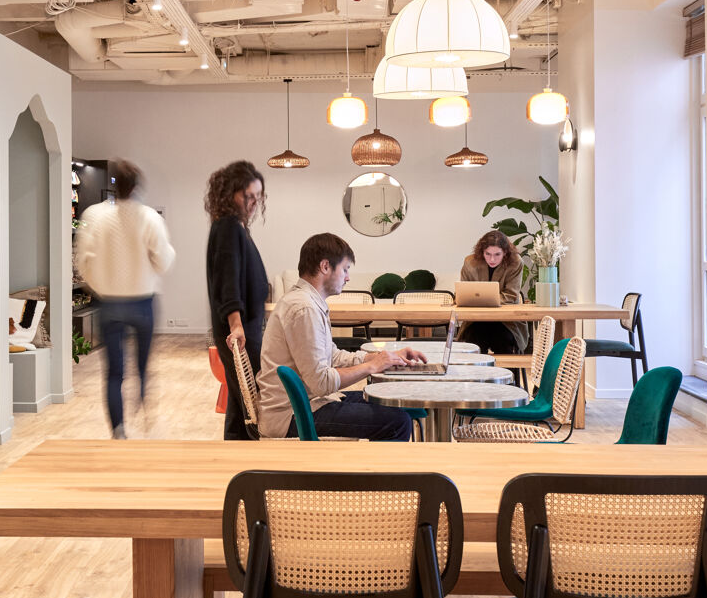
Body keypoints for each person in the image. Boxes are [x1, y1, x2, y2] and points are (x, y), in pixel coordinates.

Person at [257, 232, 426, 440]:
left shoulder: (307, 302)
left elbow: (332, 356)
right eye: (345, 269)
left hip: (309, 402)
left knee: (391, 402)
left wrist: (381, 357)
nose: (348, 277)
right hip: (292, 415)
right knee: (396, 421)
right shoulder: (304, 308)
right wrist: (371, 367)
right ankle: (380, 473)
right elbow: (321, 383)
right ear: (325, 266)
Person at [75, 160, 174, 438]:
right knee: (142, 365)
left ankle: (118, 430)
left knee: (114, 371)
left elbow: (83, 260)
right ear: (137, 186)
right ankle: (143, 405)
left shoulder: (94, 215)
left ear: (114, 183)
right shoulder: (149, 217)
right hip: (142, 301)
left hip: (110, 303)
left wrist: (99, 286)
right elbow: (164, 261)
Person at [205, 160, 269, 441]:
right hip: (241, 331)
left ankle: (235, 457)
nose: (254, 202)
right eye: (248, 196)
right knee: (249, 401)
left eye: (258, 196)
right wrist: (237, 325)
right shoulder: (228, 227)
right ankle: (246, 462)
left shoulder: (233, 227)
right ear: (230, 193)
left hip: (245, 329)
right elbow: (227, 281)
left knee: (240, 399)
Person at [459, 229, 529, 355]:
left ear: (505, 252)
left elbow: (511, 295)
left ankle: (508, 375)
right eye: (488, 254)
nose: (492, 259)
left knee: (503, 340)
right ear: (482, 252)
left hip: (506, 321)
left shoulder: (515, 262)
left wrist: (481, 300)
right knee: (474, 340)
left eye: (497, 254)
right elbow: (462, 293)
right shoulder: (470, 263)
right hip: (476, 320)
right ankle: (477, 375)